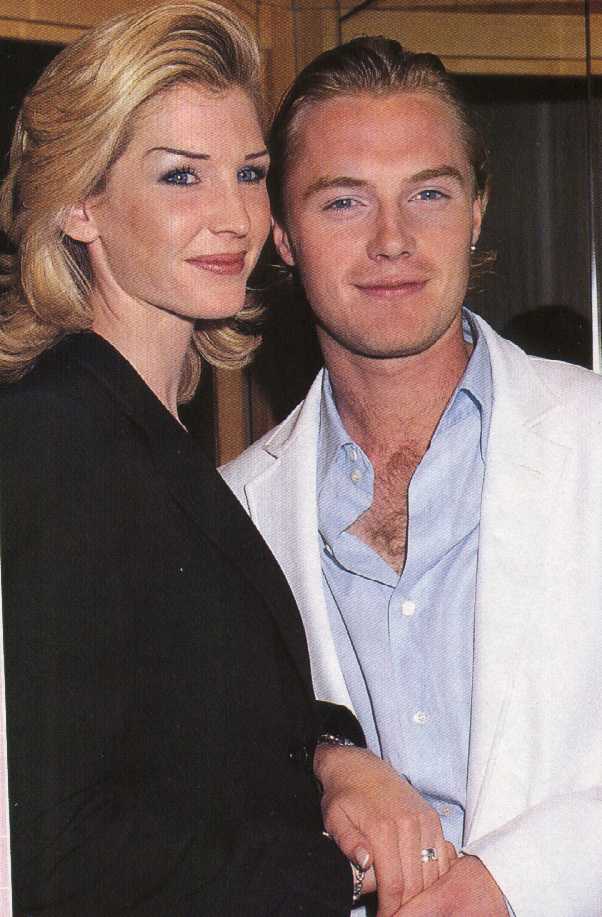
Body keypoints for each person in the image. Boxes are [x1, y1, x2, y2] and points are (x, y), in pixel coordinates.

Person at [0, 10, 438, 915]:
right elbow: (61, 852)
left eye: (248, 173)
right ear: (80, 203)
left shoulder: (151, 430)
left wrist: (332, 753)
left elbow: (193, 724)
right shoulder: (55, 432)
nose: (235, 216)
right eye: (180, 175)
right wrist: (345, 871)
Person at [221, 37, 602, 917]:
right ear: (282, 235)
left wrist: (513, 883)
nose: (392, 240)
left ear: (477, 213)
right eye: (344, 201)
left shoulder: (592, 439)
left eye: (428, 193)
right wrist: (322, 758)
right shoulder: (230, 510)